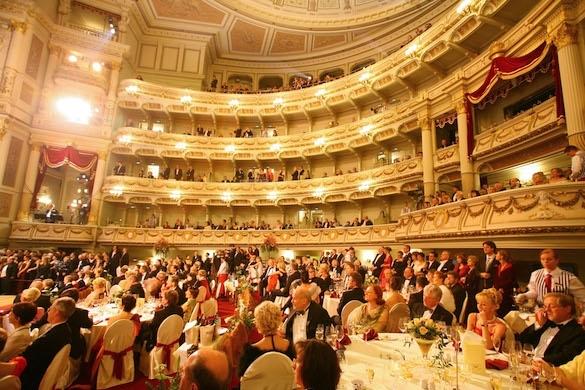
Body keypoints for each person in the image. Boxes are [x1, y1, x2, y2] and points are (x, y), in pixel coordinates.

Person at [0, 297, 75, 389]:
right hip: (34, 368)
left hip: (28, 378)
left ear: (56, 312)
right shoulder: (64, 330)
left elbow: (27, 359)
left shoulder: (51, 338)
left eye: (50, 308)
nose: (48, 311)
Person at [519, 293, 585, 366]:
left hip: (549, 370)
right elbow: (520, 341)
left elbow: (565, 357)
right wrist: (538, 325)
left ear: (567, 309)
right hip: (525, 364)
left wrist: (533, 361)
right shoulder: (544, 322)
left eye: (552, 307)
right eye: (545, 306)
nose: (546, 310)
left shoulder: (578, 332)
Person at [239, 301, 295, 376]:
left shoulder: (250, 352)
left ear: (259, 323)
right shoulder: (289, 346)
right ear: (278, 320)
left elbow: (244, 379)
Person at [516, 248, 585, 307]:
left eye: (549, 259)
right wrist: (525, 295)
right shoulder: (535, 274)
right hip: (542, 309)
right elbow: (534, 292)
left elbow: (583, 296)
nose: (545, 261)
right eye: (542, 259)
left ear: (557, 260)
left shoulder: (569, 278)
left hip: (561, 312)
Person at [493, 249, 517, 317]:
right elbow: (496, 279)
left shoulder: (510, 266)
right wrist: (497, 288)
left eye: (497, 254)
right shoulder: (498, 266)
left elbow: (511, 280)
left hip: (506, 291)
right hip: (498, 290)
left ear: (502, 256)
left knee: (505, 309)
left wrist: (502, 288)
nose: (496, 255)